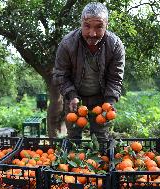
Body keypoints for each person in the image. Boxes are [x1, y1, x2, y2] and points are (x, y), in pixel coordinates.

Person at [52, 2, 125, 143]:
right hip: (75, 99)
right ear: (81, 24)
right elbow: (61, 75)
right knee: (73, 139)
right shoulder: (68, 44)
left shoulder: (115, 45)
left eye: (99, 27)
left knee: (101, 140)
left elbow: (115, 78)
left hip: (101, 99)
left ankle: (100, 163)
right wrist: (71, 95)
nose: (92, 34)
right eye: (87, 26)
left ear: (106, 25)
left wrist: (109, 102)